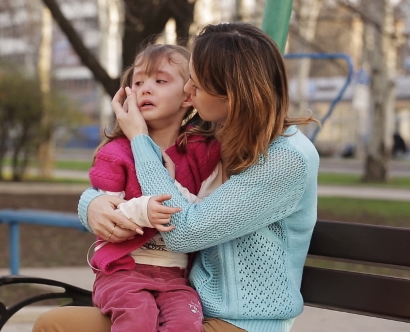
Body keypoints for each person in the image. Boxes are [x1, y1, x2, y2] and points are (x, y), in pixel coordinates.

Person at [33, 22, 319, 332]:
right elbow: (127, 181)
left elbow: (182, 232)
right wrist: (91, 203)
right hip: (183, 303)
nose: (187, 90)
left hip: (239, 322)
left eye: (196, 84)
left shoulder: (286, 159)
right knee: (54, 325)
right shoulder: (222, 135)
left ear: (231, 94)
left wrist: (140, 139)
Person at [88, 44, 221, 332]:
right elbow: (107, 217)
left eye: (160, 81)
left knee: (186, 324)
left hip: (177, 278)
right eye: (138, 82)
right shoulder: (116, 153)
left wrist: (167, 182)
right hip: (122, 271)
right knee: (138, 319)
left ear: (189, 95)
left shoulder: (203, 153)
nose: (145, 89)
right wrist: (142, 211)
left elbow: (207, 213)